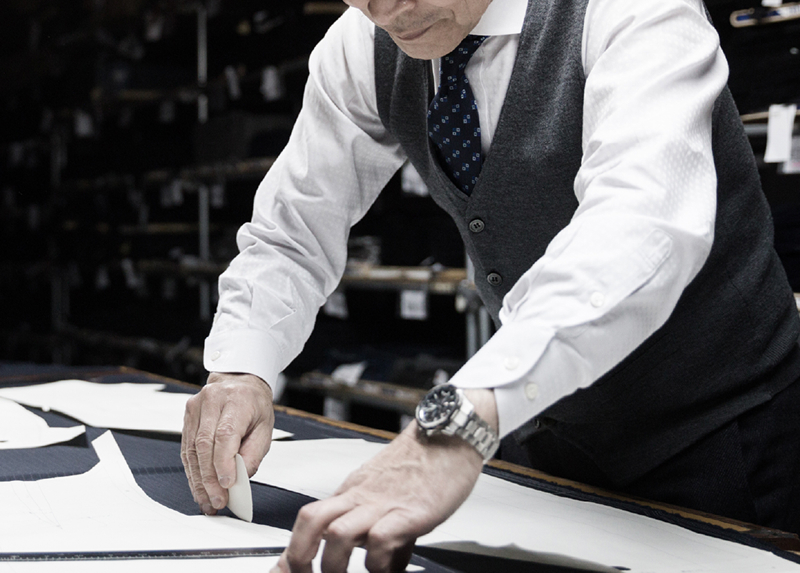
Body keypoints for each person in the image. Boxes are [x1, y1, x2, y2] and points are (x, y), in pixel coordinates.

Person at [181, 0, 800, 570]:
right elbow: (294, 227)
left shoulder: (631, 9)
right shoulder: (362, 43)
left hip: (721, 432)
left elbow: (639, 229)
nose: (387, 10)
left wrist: (460, 423)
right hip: (547, 428)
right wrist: (241, 367)